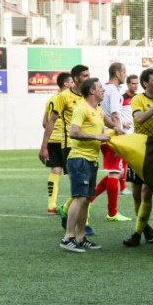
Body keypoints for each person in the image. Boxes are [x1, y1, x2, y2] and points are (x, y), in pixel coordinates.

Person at [59, 78, 123, 252]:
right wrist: (96, 137)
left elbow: (111, 123)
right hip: (79, 159)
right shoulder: (82, 108)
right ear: (92, 91)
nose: (104, 90)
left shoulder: (98, 110)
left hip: (91, 160)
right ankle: (68, 237)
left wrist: (118, 128)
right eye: (101, 88)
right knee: (79, 197)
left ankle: (80, 238)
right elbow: (73, 132)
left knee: (86, 200)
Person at [39, 65, 97, 236]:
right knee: (82, 186)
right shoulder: (61, 98)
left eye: (89, 74)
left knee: (78, 184)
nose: (88, 77)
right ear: (72, 79)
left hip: (84, 144)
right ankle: (79, 225)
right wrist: (44, 145)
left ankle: (61, 208)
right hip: (68, 144)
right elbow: (48, 121)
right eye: (84, 75)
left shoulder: (88, 97)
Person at [123, 67, 153, 246]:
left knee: (147, 191)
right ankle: (145, 226)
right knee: (136, 192)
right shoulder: (138, 99)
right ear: (146, 83)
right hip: (140, 146)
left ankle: (136, 233)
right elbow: (139, 119)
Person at [89, 62, 131, 222]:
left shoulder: (104, 89)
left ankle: (90, 199)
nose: (125, 75)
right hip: (111, 136)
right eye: (124, 72)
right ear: (117, 73)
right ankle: (112, 212)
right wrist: (119, 131)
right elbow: (114, 115)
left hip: (104, 135)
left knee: (116, 172)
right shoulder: (113, 91)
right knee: (115, 172)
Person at [42, 72, 74, 214]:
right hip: (65, 141)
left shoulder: (50, 100)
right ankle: (70, 206)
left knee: (55, 171)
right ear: (66, 84)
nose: (74, 84)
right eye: (72, 82)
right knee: (75, 173)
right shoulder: (68, 98)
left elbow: (44, 122)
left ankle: (51, 206)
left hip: (52, 140)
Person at [120, 74, 138, 195]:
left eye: (137, 83)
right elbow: (114, 113)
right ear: (128, 84)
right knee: (123, 162)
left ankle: (131, 185)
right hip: (124, 134)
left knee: (132, 162)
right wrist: (122, 122)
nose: (136, 86)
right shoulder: (122, 97)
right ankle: (122, 187)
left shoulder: (138, 98)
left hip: (135, 134)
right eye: (133, 83)